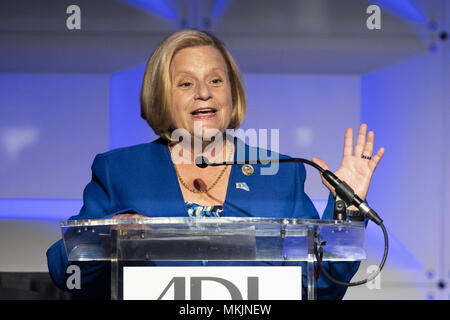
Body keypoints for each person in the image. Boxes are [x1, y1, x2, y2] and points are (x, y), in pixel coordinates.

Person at [46, 29, 384, 300]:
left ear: (231, 93)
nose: (204, 93)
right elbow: (66, 275)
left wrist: (346, 207)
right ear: (162, 96)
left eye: (216, 80)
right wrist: (108, 234)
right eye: (186, 83)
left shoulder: (279, 171)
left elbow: (323, 286)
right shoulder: (119, 170)